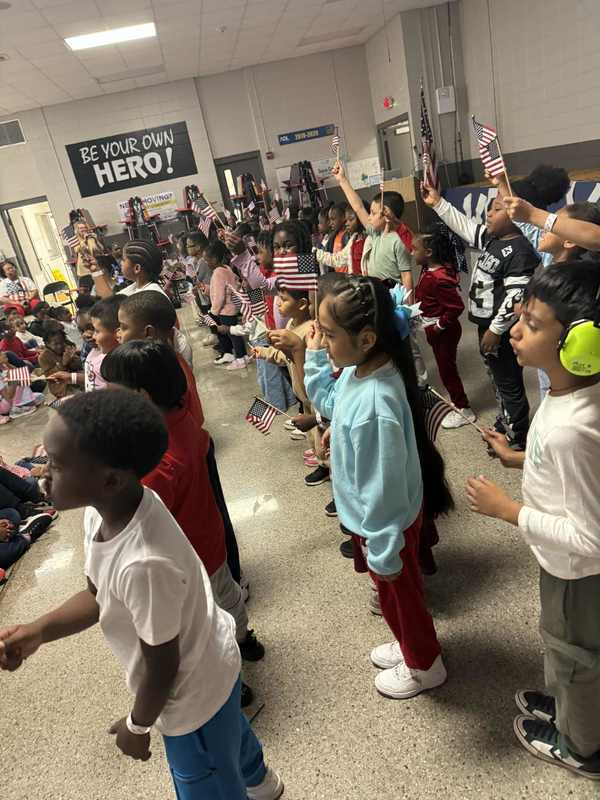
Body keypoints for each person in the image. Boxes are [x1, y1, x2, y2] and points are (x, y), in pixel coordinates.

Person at [0, 390, 283, 799]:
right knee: (233, 738)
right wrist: (39, 630)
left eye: (57, 466)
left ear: (109, 478)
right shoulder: (109, 508)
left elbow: (162, 668)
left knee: (207, 777)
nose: (42, 472)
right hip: (211, 663)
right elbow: (99, 595)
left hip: (190, 704)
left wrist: (137, 726)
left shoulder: (143, 563)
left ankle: (248, 783)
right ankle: (261, 782)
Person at [466, 262, 600, 780]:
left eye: (533, 324)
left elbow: (591, 537)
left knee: (576, 656)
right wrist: (518, 457)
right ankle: (571, 704)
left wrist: (510, 511)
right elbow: (564, 464)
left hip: (577, 574)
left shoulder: (574, 428)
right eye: (519, 316)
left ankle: (581, 744)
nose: (514, 329)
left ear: (580, 345)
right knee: (569, 651)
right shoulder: (569, 392)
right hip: (564, 565)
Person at [304, 273, 453, 698]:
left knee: (402, 599)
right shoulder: (360, 371)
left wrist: (385, 548)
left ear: (367, 337)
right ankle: (409, 646)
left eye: (328, 335)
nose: (324, 341)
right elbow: (334, 404)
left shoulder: (377, 403)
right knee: (393, 599)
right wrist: (316, 359)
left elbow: (384, 487)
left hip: (386, 525)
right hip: (373, 521)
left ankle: (426, 665)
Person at [100, 341, 264, 663]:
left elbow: (138, 521)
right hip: (211, 536)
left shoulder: (157, 463)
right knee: (228, 597)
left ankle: (230, 674)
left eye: (113, 392)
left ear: (142, 398)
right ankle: (245, 641)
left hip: (185, 558)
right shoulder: (184, 419)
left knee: (201, 619)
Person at [116, 290, 246, 591]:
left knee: (211, 516)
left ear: (147, 333)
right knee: (209, 513)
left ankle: (233, 577)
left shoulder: (168, 370)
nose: (118, 333)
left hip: (188, 450)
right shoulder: (166, 362)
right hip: (192, 446)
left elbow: (191, 415)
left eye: (122, 327)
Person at [422, 182, 540, 450]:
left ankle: (516, 435)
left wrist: (496, 330)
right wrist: (438, 203)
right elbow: (463, 225)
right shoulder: (492, 238)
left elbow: (515, 296)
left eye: (497, 208)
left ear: (516, 214)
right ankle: (506, 418)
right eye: (489, 207)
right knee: (496, 377)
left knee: (508, 380)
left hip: (500, 330)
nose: (488, 212)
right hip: (484, 326)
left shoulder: (520, 250)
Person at [413, 224, 475, 428]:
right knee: (444, 368)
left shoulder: (439, 278)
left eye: (415, 250)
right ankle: (457, 401)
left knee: (447, 370)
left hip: (444, 331)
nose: (411, 252)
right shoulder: (428, 268)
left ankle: (463, 408)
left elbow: (456, 307)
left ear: (428, 253)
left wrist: (438, 327)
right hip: (435, 328)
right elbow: (410, 238)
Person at [117, 240, 193, 367]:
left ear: (137, 268)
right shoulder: (137, 287)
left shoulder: (153, 293)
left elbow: (169, 329)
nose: (121, 263)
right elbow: (113, 301)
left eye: (123, 260)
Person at [204, 240, 247, 368]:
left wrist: (213, 311)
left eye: (207, 260)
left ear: (215, 258)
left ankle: (240, 359)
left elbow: (219, 296)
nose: (206, 263)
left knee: (233, 335)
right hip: (232, 307)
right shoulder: (226, 268)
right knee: (232, 334)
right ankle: (239, 355)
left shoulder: (218, 272)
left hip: (225, 310)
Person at [315, 205, 368, 275]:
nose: (347, 223)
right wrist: (317, 254)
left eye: (351, 219)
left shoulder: (368, 239)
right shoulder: (353, 239)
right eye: (347, 220)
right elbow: (338, 259)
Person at [38, 327, 83, 400]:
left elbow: (78, 366)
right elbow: (51, 376)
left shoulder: (66, 348)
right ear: (47, 344)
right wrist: (63, 363)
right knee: (79, 398)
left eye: (61, 342)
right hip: (61, 386)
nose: (60, 346)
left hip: (73, 377)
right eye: (55, 344)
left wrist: (73, 358)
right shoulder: (43, 357)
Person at [0, 352, 44, 420]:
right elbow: (8, 396)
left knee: (40, 396)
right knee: (20, 378)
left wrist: (7, 364)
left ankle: (26, 402)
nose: (4, 353)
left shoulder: (4, 366)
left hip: (14, 395)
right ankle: (17, 408)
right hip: (5, 403)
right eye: (0, 354)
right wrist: (13, 379)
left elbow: (16, 371)